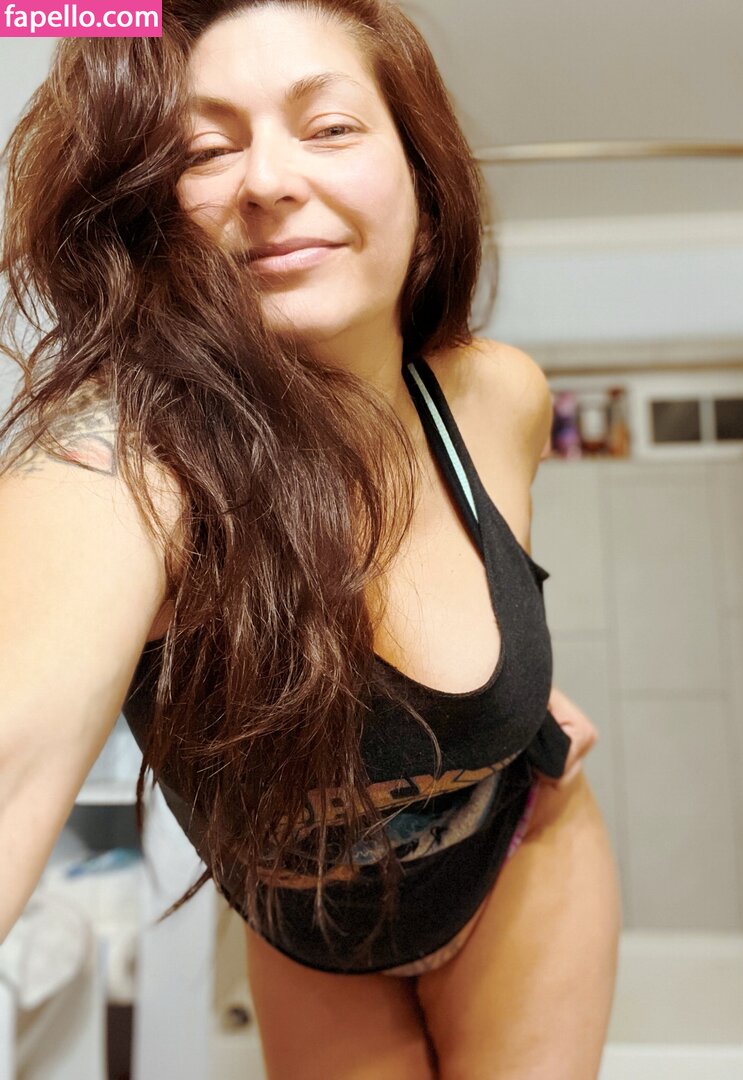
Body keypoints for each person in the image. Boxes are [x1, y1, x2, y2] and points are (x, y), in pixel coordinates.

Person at [0, 1, 621, 1076]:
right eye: (204, 150)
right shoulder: (127, 469)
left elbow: (483, 583)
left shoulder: (498, 397)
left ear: (421, 175)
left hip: (524, 864)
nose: (269, 180)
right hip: (312, 946)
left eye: (329, 127)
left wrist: (517, 693)